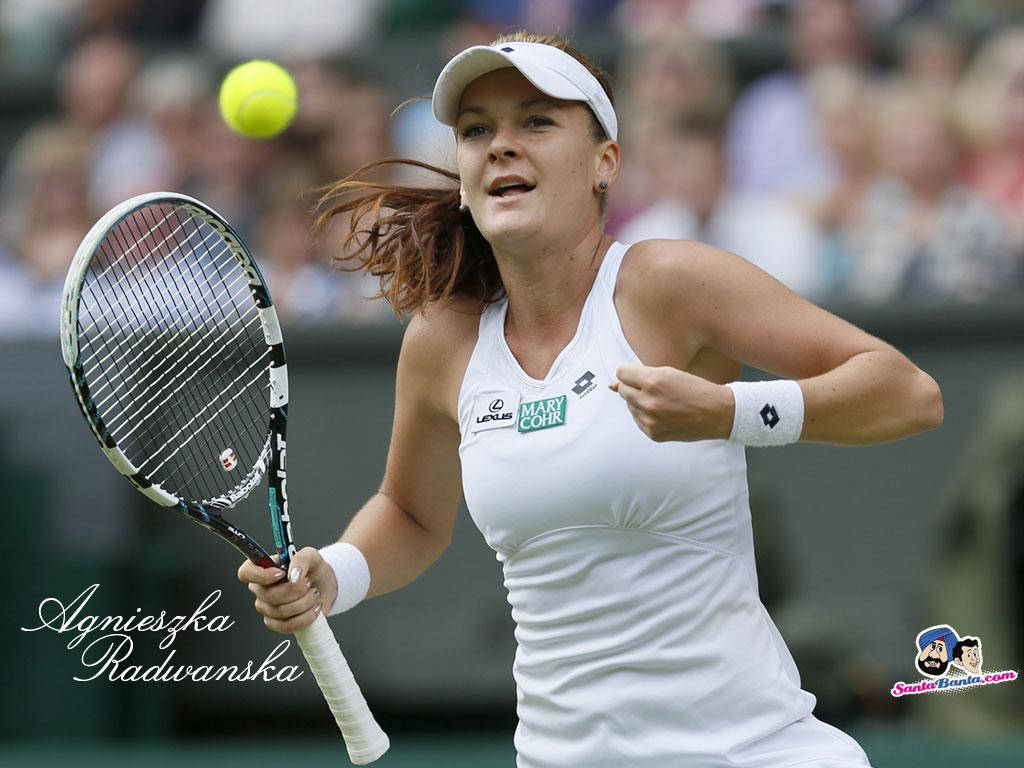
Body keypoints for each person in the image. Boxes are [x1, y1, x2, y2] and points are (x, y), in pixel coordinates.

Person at [237, 31, 943, 768]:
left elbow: (907, 393)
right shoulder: (441, 340)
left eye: (536, 122)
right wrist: (335, 575)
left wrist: (729, 412)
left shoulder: (668, 282)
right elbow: (412, 514)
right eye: (477, 130)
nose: (500, 145)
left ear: (605, 162)